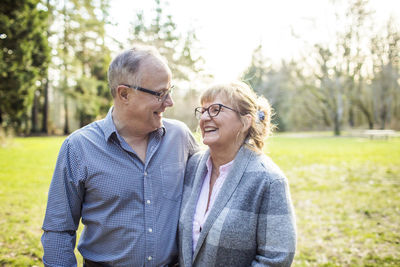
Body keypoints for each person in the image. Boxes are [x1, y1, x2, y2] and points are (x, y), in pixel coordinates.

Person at [41, 46, 198, 266]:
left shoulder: (180, 137)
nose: (170, 102)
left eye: (170, 90)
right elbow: (59, 228)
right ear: (124, 94)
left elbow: (214, 186)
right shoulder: (78, 147)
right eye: (160, 93)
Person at [178, 81, 296, 266]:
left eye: (216, 109)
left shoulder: (269, 181)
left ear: (245, 121)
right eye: (203, 110)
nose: (205, 118)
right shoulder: (192, 166)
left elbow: (276, 259)